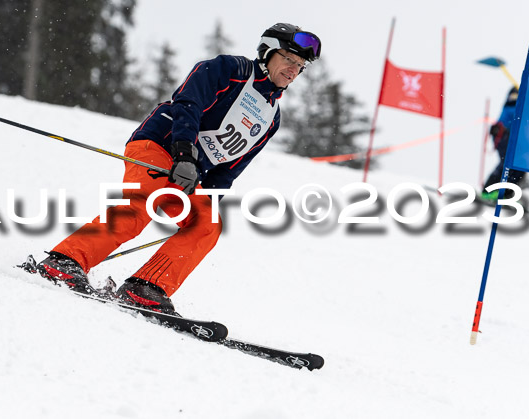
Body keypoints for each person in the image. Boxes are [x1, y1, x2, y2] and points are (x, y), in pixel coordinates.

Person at [34, 23, 322, 314]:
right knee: (141, 203)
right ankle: (64, 261)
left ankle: (146, 287)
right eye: (288, 59)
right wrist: (184, 152)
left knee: (207, 225)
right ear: (267, 53)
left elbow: (233, 166)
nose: (293, 70)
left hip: (189, 172)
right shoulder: (229, 70)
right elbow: (188, 103)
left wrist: (209, 198)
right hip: (159, 145)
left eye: (300, 66)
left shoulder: (271, 118)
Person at [482, 86, 526, 200]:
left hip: (515, 140)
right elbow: (512, 111)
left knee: (520, 167)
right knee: (507, 163)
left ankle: (507, 194)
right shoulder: (511, 106)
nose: (514, 98)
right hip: (504, 136)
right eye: (513, 96)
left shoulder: (522, 107)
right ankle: (488, 190)